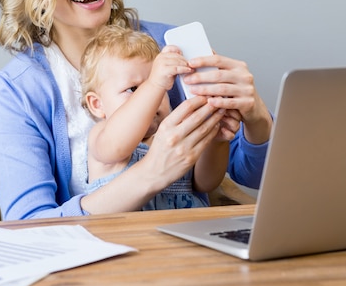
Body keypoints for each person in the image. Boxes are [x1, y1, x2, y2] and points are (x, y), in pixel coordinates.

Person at [0, 0, 273, 220]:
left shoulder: (169, 46)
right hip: (91, 264)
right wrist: (152, 173)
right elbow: (28, 226)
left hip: (187, 254)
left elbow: (252, 175)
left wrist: (257, 118)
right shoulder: (18, 92)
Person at [81, 25, 233, 210]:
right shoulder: (102, 135)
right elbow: (118, 146)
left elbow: (205, 184)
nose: (154, 96)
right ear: (97, 105)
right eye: (134, 89)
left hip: (184, 231)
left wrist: (216, 141)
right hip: (127, 236)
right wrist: (154, 82)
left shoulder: (175, 135)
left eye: (163, 87)